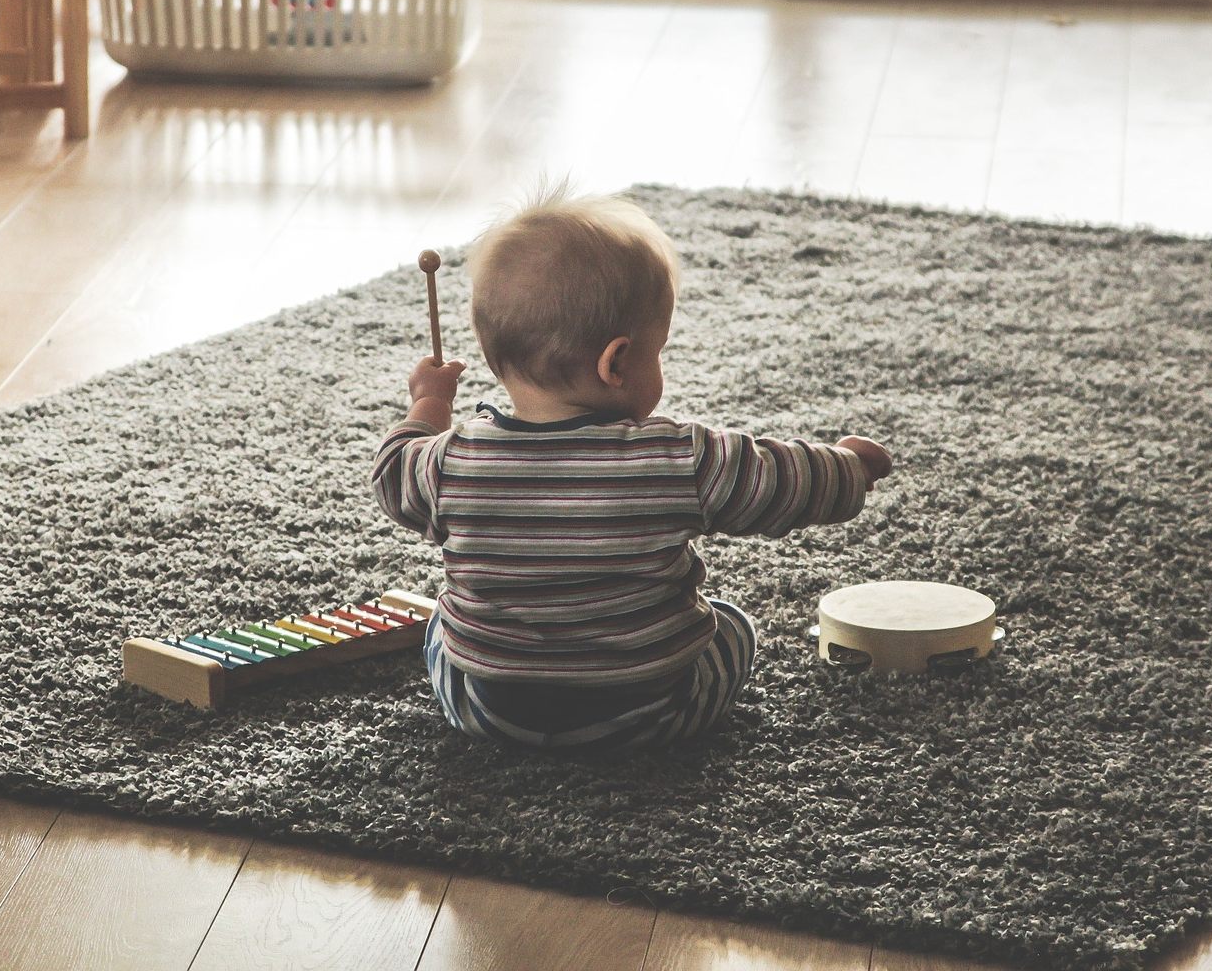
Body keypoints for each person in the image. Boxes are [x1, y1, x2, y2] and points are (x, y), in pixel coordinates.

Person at [373, 186, 891, 754]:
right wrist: (850, 467)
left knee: (440, 629)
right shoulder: (679, 459)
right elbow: (783, 479)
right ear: (616, 361)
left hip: (494, 714)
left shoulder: (449, 464)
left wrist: (429, 404)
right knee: (733, 626)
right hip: (651, 713)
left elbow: (393, 473)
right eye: (658, 349)